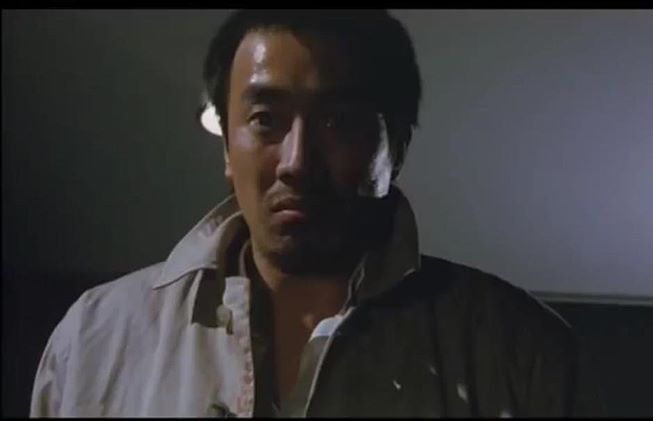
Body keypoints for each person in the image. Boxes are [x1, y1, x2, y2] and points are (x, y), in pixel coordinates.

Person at [30, 9, 601, 417]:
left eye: (337, 121)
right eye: (265, 120)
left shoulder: (519, 354)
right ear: (227, 146)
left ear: (396, 146)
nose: (297, 162)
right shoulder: (95, 340)